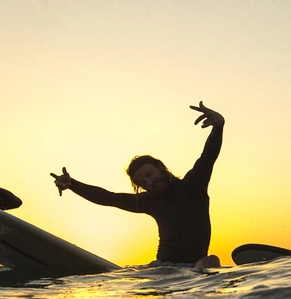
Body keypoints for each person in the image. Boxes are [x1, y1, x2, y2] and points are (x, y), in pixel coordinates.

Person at [50, 102, 224, 269]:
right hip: (161, 267)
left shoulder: (192, 187)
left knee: (211, 261)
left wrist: (218, 127)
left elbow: (207, 157)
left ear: (161, 167)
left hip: (195, 266)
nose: (149, 183)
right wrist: (72, 184)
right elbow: (108, 198)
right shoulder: (150, 201)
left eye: (149, 175)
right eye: (142, 183)